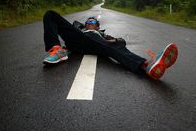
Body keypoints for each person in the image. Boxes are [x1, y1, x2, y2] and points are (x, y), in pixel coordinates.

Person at [43, 10, 178, 80]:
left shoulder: (102, 35)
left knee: (114, 47)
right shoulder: (79, 28)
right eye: (88, 21)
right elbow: (70, 30)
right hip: (77, 40)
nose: (91, 23)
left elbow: (121, 43)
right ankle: (56, 51)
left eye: (94, 22)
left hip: (97, 45)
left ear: (98, 26)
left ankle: (147, 66)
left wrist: (114, 40)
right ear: (85, 24)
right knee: (50, 14)